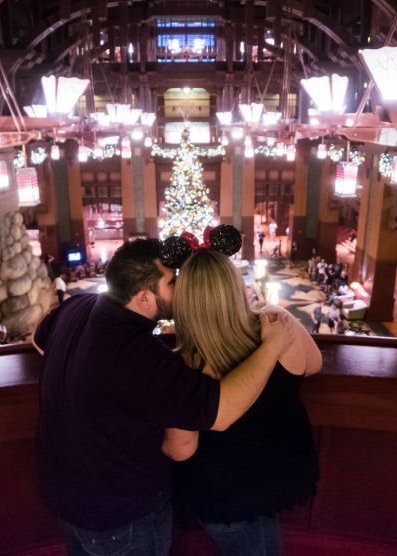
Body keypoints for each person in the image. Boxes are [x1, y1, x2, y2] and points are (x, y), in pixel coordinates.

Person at [32, 238, 296, 556]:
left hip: (64, 495)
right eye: (171, 281)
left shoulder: (78, 306)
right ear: (145, 297)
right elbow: (218, 415)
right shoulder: (146, 359)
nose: (180, 284)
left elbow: (38, 339)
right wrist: (273, 345)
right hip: (121, 515)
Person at [169, 249, 323, 555]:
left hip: (225, 493)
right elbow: (314, 364)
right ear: (237, 286)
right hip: (274, 473)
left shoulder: (183, 367)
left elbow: (180, 448)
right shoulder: (278, 324)